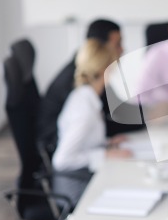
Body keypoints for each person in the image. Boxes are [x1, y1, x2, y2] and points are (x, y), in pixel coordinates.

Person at [37, 19, 141, 156]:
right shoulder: (78, 86)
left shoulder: (87, 78)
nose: (122, 50)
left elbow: (107, 114)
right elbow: (65, 155)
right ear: (101, 48)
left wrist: (105, 144)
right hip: (57, 148)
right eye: (118, 44)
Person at [52, 38, 132, 173]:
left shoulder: (85, 96)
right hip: (77, 184)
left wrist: (107, 144)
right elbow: (61, 160)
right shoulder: (85, 110)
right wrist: (104, 154)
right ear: (103, 70)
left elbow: (84, 143)